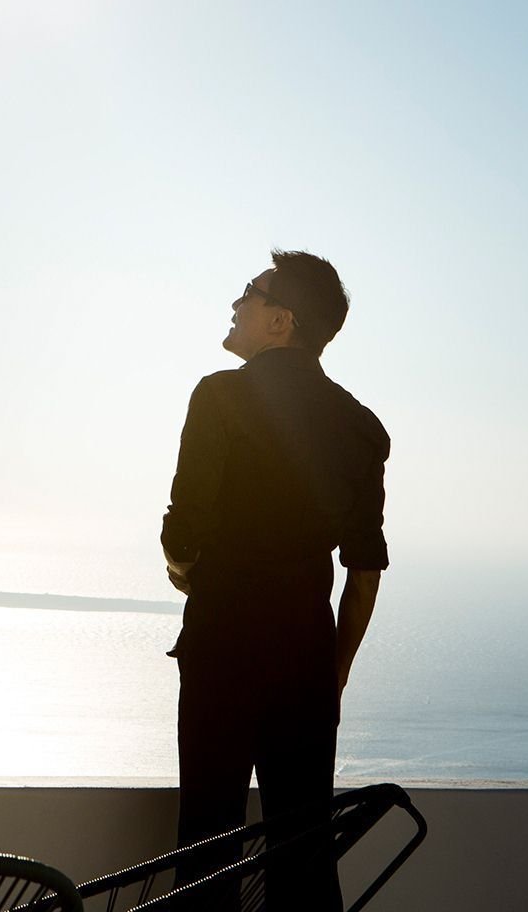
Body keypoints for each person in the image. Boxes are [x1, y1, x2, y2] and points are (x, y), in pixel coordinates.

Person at [160, 250, 390, 910]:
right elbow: (364, 571)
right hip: (307, 661)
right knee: (304, 858)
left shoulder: (221, 396)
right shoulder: (361, 427)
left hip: (223, 648)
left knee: (206, 853)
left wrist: (189, 576)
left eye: (250, 293)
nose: (237, 304)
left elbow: (182, 535)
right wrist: (333, 673)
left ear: (281, 320)